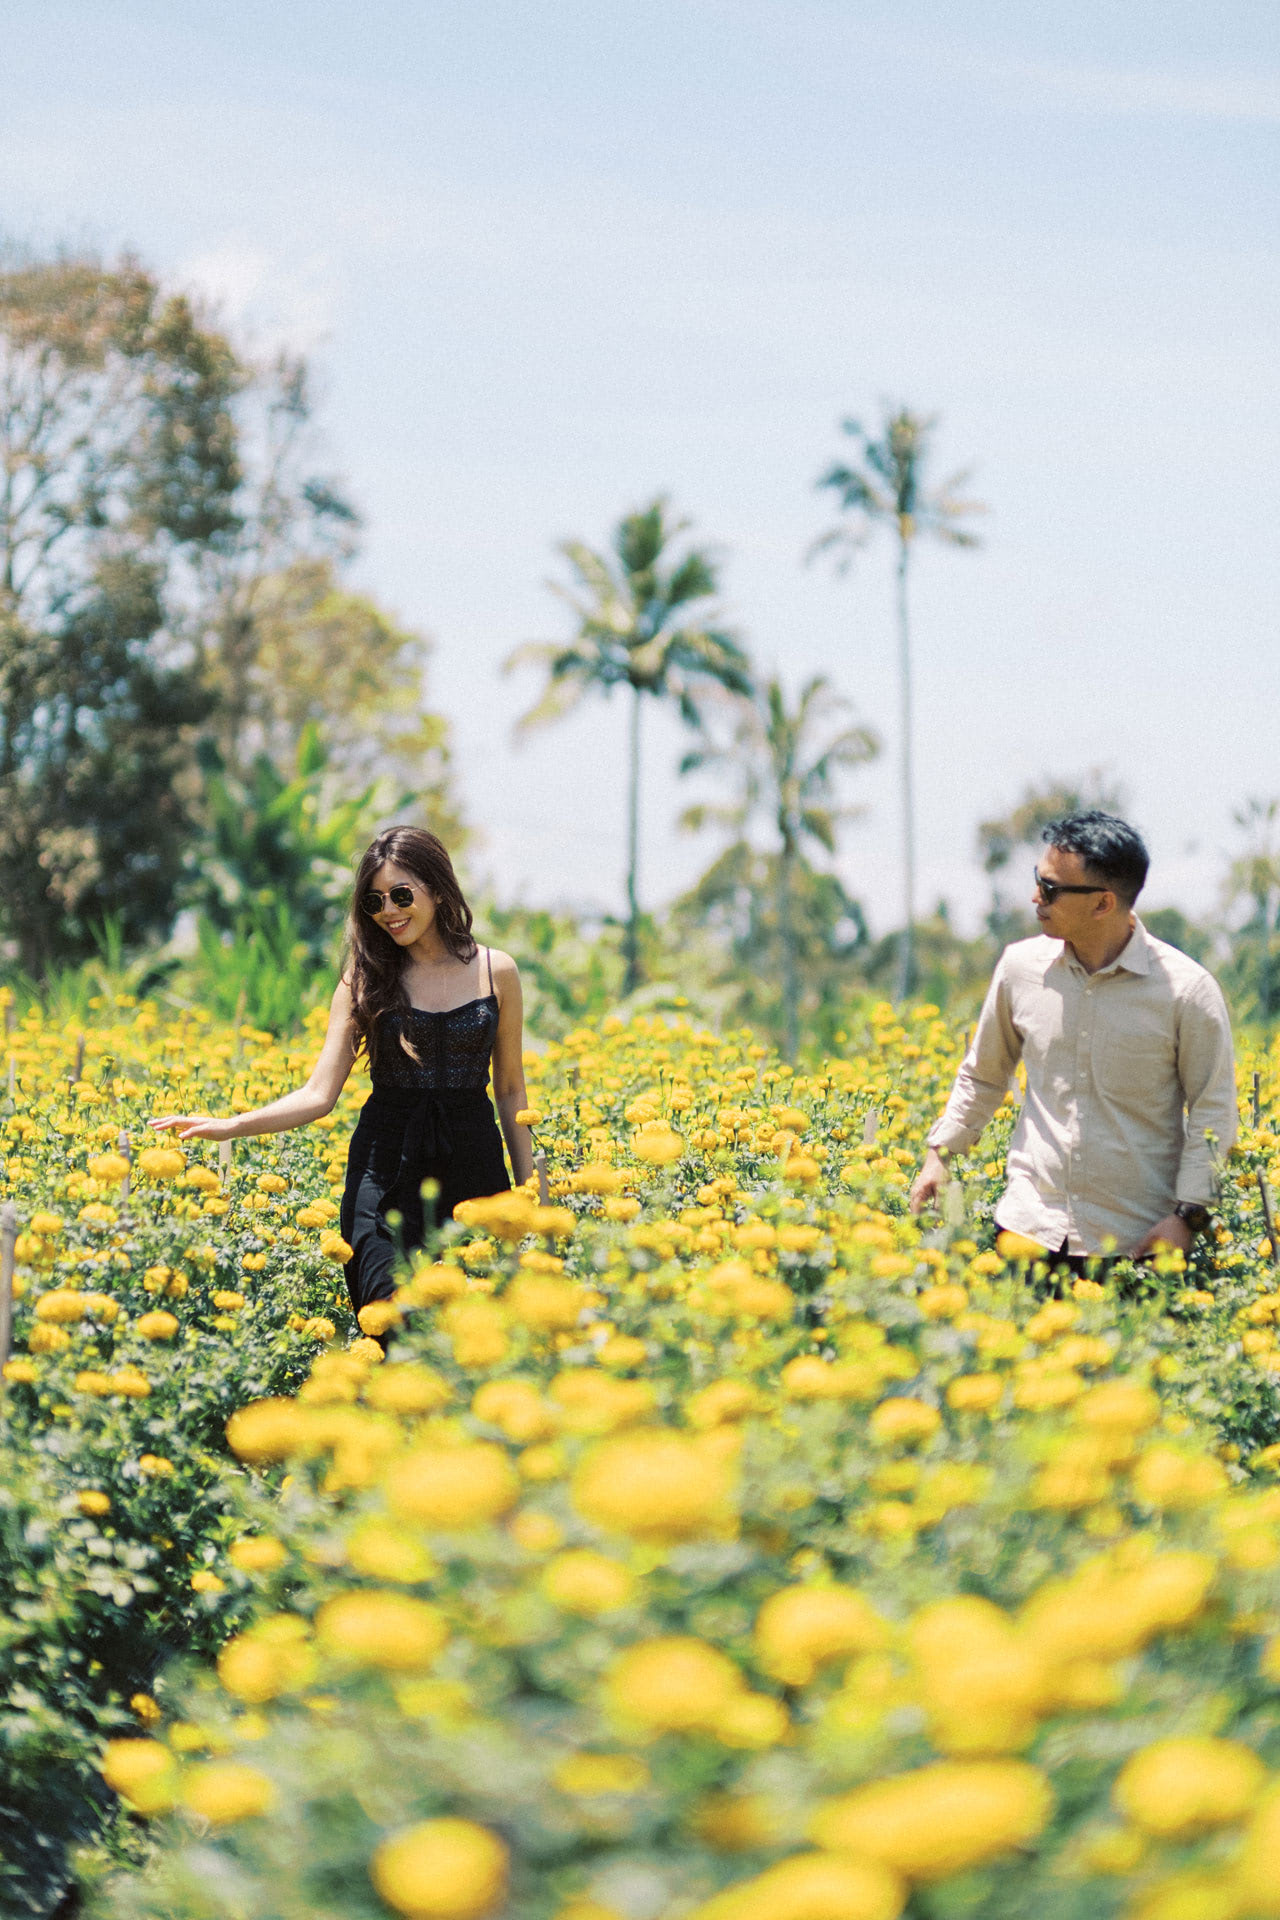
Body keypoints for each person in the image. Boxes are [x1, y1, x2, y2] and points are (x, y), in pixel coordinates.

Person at [152, 826, 534, 1318]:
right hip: (385, 1169)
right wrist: (233, 1126)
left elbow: (509, 1089)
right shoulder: (364, 979)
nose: (389, 912)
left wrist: (529, 1196)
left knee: (474, 1329)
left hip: (473, 1167)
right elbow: (319, 1093)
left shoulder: (495, 971)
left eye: (401, 895)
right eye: (375, 902)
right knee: (388, 1313)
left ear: (438, 889)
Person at [909, 811, 1238, 1268]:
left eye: (1051, 889)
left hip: (1135, 1241)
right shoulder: (1019, 969)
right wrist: (939, 1156)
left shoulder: (1187, 991)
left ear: (1103, 903)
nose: (1035, 897)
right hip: (1027, 1229)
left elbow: (1213, 1112)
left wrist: (1187, 1218)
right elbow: (983, 1076)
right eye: (1037, 880)